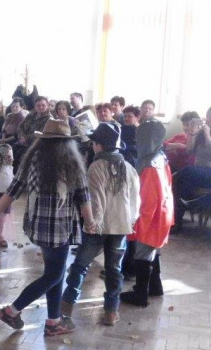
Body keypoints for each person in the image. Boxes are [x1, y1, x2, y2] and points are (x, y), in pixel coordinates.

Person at [0, 119, 94, 337]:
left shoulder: (32, 160)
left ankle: (53, 320)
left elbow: (11, 193)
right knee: (54, 275)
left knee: (54, 272)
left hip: (37, 227)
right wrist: (90, 223)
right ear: (67, 143)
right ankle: (12, 311)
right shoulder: (72, 163)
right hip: (59, 229)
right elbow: (83, 197)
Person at [61, 123, 140, 326]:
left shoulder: (96, 167)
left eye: (94, 143)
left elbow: (95, 199)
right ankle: (111, 311)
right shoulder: (129, 167)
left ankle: (66, 306)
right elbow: (135, 200)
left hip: (98, 226)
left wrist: (91, 223)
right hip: (120, 226)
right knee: (114, 269)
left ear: (98, 145)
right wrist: (131, 220)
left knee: (80, 265)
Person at [120, 119, 173, 307]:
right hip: (163, 212)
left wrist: (137, 219)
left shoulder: (150, 165)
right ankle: (155, 286)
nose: (137, 141)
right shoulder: (160, 156)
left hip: (150, 215)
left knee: (143, 253)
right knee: (153, 250)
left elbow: (147, 199)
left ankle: (140, 294)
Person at [172, 107, 211, 232]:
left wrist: (208, 135)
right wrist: (192, 134)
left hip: (208, 173)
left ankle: (173, 178)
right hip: (198, 172)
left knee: (185, 173)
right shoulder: (200, 133)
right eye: (208, 116)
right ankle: (176, 222)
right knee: (181, 185)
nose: (208, 119)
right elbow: (189, 151)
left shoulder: (206, 133)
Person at [13, 96, 52, 172]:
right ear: (35, 106)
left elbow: (40, 134)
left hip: (36, 144)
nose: (40, 107)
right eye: (38, 105)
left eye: (43, 105)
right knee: (8, 151)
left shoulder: (49, 119)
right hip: (21, 141)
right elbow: (20, 126)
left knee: (19, 155)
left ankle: (17, 175)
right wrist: (21, 137)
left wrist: (25, 139)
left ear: (47, 106)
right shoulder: (32, 114)